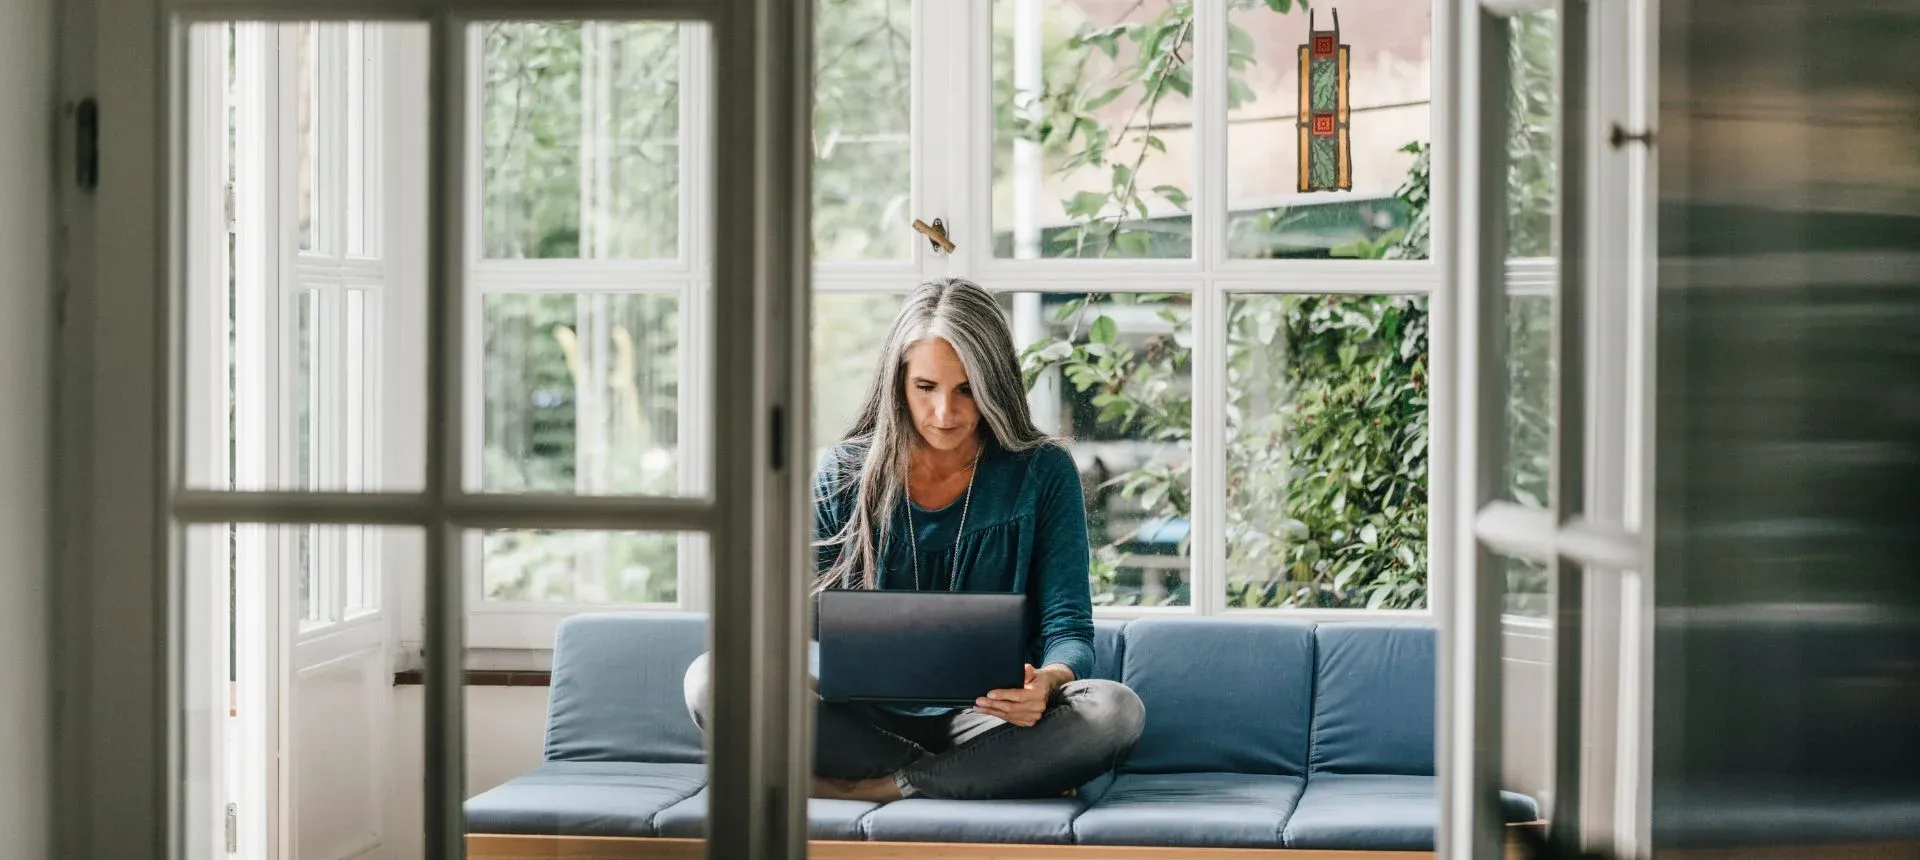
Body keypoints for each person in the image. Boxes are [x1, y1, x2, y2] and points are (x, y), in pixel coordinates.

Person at [684, 277, 1145, 802]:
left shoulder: (1043, 472)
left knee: (1115, 711)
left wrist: (1049, 681)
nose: (945, 413)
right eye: (926, 387)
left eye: (967, 389)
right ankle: (978, 776)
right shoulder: (842, 472)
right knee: (711, 678)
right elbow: (799, 628)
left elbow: (1070, 630)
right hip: (859, 724)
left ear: (995, 384)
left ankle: (885, 786)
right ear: (898, 381)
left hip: (988, 723)